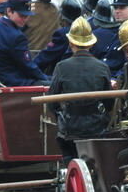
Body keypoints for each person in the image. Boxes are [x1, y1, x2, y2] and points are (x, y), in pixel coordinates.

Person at [46, 17, 112, 162]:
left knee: (68, 156)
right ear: (92, 44)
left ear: (70, 43)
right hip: (96, 128)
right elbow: (109, 103)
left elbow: (52, 101)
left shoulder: (62, 67)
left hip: (70, 129)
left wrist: (61, 117)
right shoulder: (102, 67)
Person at [33, 0, 84, 76]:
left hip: (63, 76)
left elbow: (45, 57)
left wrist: (30, 68)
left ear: (62, 16)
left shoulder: (62, 34)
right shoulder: (87, 31)